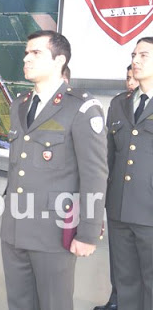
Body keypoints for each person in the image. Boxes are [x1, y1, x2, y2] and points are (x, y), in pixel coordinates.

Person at [1, 31, 108, 310]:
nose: (26, 58)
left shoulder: (81, 107)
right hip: (14, 228)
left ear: (60, 59)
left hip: (53, 231)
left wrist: (88, 232)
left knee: (54, 304)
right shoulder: (20, 105)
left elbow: (95, 175)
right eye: (26, 52)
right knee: (19, 302)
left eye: (36, 53)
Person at [105, 37, 153, 310]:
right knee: (125, 282)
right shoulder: (119, 104)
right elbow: (108, 157)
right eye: (134, 54)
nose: (136, 60)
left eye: (144, 55)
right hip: (119, 209)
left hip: (150, 211)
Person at [93, 65, 137, 310]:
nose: (130, 81)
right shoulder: (119, 104)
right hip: (118, 198)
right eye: (127, 77)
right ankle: (116, 299)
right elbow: (108, 155)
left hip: (146, 202)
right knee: (120, 260)